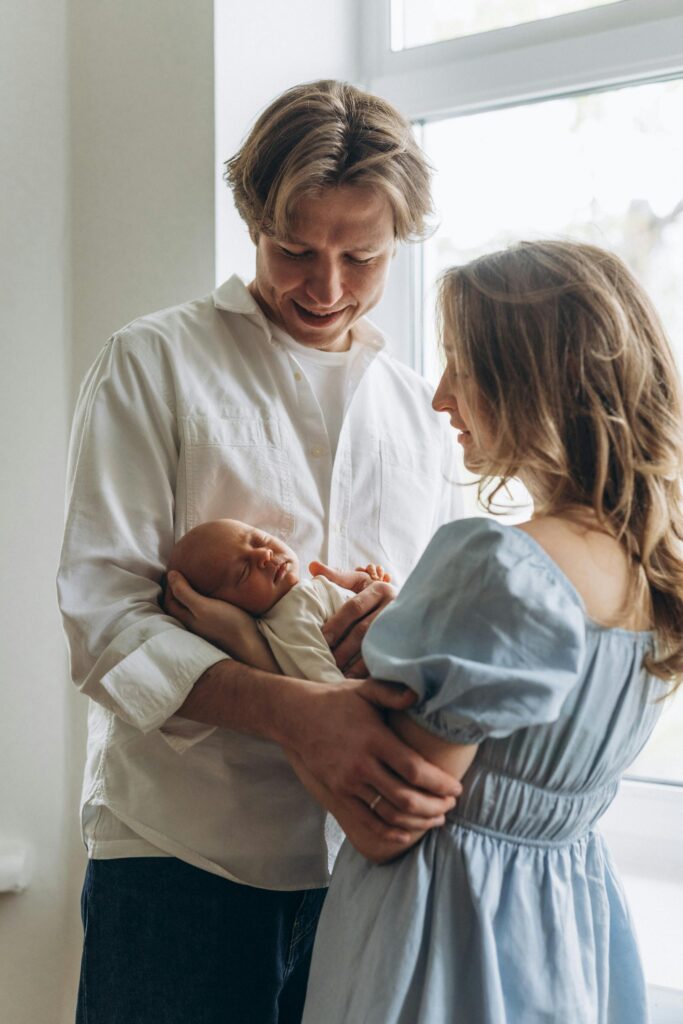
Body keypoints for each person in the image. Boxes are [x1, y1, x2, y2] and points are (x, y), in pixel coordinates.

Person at [57, 79, 463, 1024]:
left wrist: (391, 622)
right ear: (251, 220)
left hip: (370, 876)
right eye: (295, 250)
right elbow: (103, 622)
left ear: (397, 243)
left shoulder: (420, 410)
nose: (324, 288)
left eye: (359, 257)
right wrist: (296, 714)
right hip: (177, 860)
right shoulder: (151, 363)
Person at [300, 240, 683, 1024]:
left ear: (531, 381)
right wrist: (419, 619)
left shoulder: (501, 562)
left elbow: (386, 818)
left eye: (460, 367)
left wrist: (245, 635)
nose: (440, 399)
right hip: (563, 932)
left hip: (447, 938)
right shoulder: (649, 575)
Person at [166, 516, 391, 681]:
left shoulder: (307, 589)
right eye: (243, 572)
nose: (264, 555)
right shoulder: (290, 622)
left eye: (260, 540)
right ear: (224, 605)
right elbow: (327, 686)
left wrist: (367, 584)